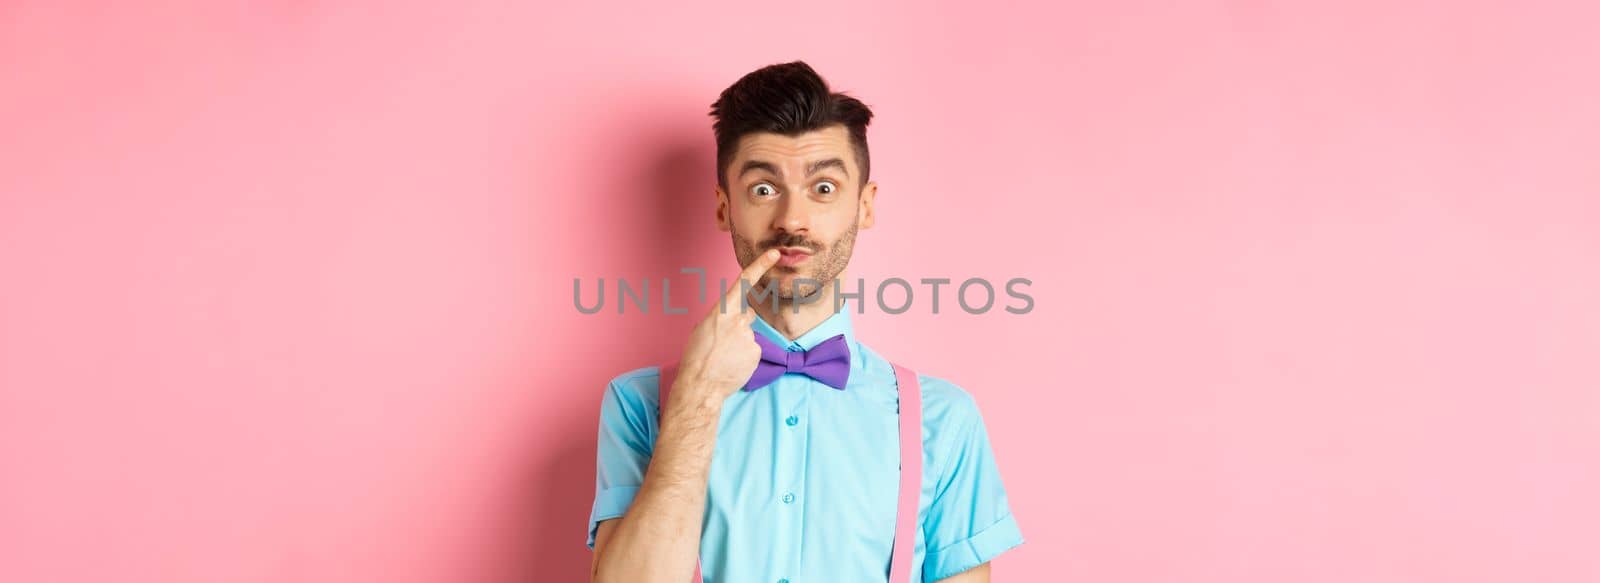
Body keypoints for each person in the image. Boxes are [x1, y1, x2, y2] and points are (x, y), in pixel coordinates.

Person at [586, 60, 1023, 582]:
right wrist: (697, 400)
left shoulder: (944, 419)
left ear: (864, 206)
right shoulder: (639, 405)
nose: (792, 219)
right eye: (764, 189)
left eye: (823, 188)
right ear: (724, 209)